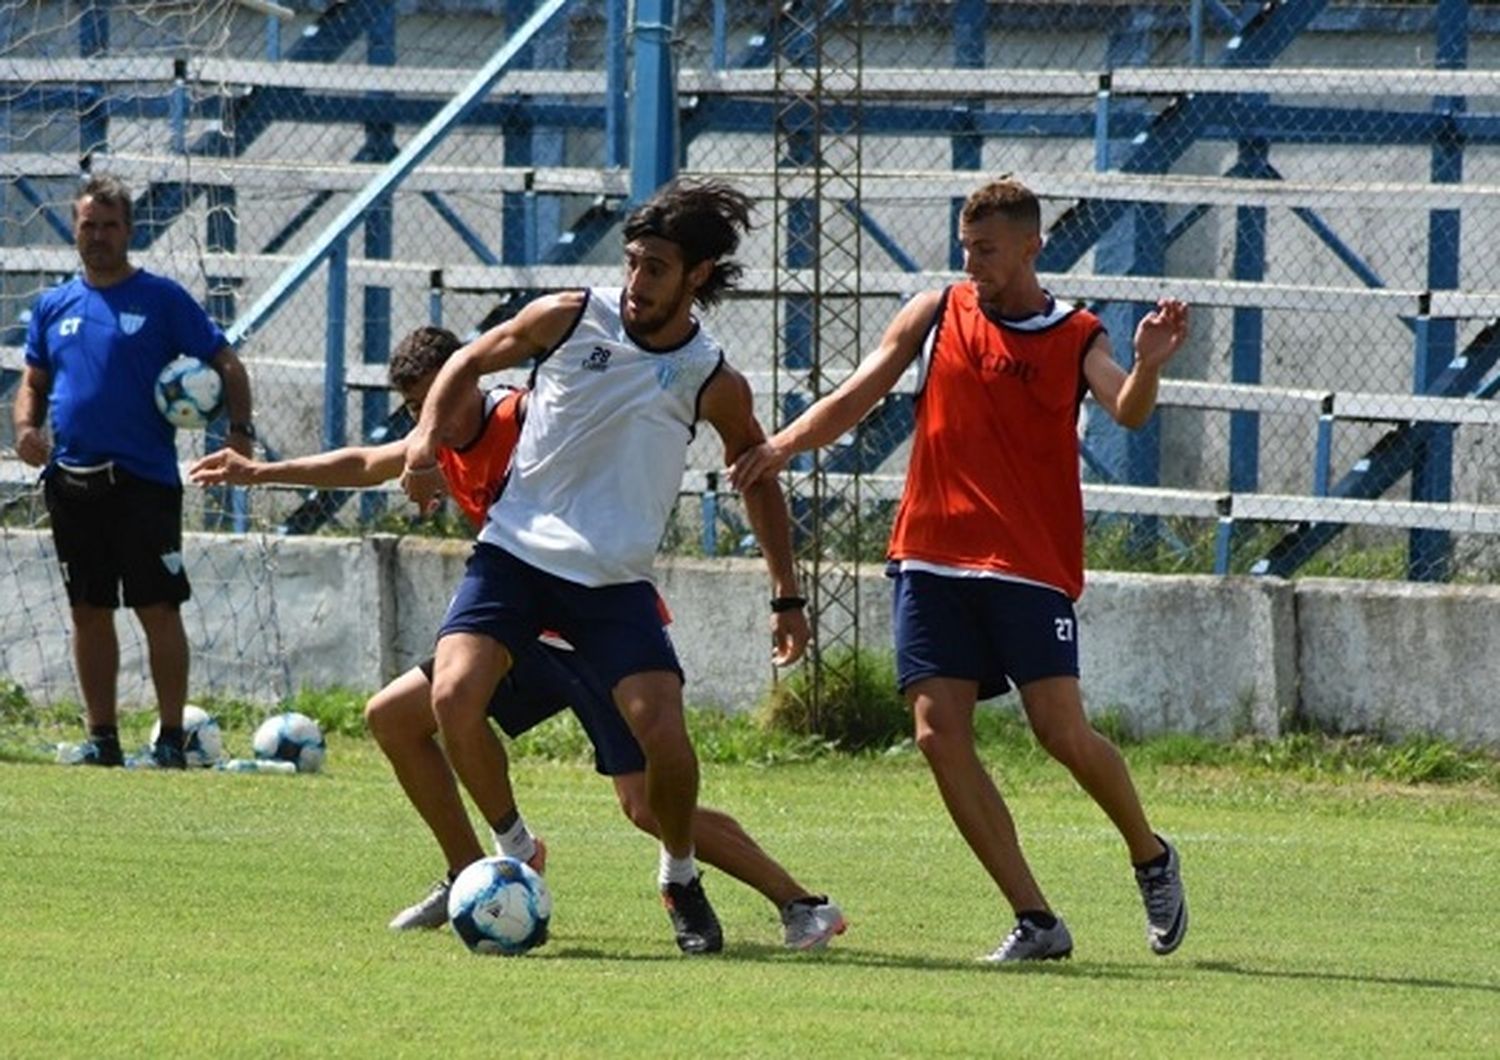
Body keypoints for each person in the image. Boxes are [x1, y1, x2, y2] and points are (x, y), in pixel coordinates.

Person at [190, 325, 845, 950]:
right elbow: (364, 462)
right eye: (418, 408)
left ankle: (799, 904)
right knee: (394, 717)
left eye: (439, 399)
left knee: (648, 807)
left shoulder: (531, 418)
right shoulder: (436, 441)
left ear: (468, 380)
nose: (432, 418)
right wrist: (257, 472)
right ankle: (476, 874)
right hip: (519, 629)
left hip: (590, 630)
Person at [728, 176, 1190, 963]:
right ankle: (1037, 920)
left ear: (1031, 247)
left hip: (1028, 565)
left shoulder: (1077, 334)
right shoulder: (939, 311)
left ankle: (1150, 854)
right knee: (938, 735)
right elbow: (858, 393)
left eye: (986, 248)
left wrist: (1147, 364)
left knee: (1060, 732)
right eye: (966, 246)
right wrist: (781, 446)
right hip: (930, 558)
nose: (971, 261)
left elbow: (1131, 411)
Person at [399, 178, 812, 955]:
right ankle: (514, 848)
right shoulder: (568, 317)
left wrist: (786, 595)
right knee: (453, 696)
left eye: (656, 267)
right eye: (631, 262)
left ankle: (681, 874)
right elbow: (467, 362)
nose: (636, 282)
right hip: (515, 555)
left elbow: (758, 478)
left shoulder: (710, 379)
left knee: (668, 744)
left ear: (696, 276)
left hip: (613, 584)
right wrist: (424, 443)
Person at [13, 173, 255, 770]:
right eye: (88, 225)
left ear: (129, 231)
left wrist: (239, 432)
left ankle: (171, 739)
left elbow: (227, 363)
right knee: (88, 611)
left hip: (144, 482)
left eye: (110, 225)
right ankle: (103, 740)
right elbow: (33, 382)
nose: (98, 236)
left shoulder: (162, 299)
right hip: (72, 480)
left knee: (157, 607)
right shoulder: (53, 305)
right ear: (75, 228)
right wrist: (25, 429)